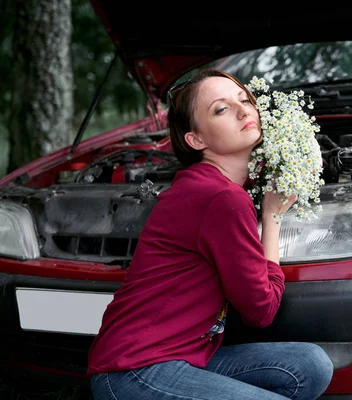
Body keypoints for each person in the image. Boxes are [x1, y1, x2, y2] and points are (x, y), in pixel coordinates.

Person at [87, 68, 334, 400]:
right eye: (221, 108)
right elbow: (261, 310)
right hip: (134, 370)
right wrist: (272, 216)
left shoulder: (207, 185)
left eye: (245, 100)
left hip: (186, 354)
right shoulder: (222, 198)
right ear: (196, 140)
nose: (245, 110)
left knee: (309, 365)